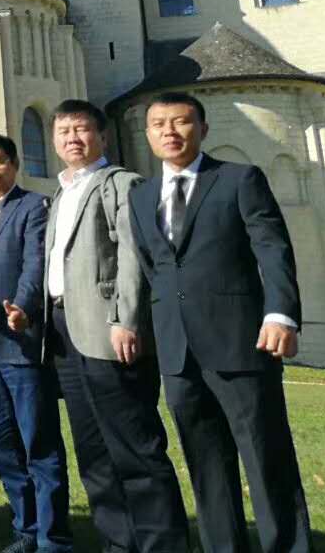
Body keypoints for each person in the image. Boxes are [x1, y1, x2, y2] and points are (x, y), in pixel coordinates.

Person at [130, 92, 311, 553]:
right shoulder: (141, 196)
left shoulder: (238, 179)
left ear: (203, 129)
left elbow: (272, 247)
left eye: (181, 121)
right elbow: (155, 268)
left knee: (266, 457)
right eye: (158, 124)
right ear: (147, 134)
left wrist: (281, 313)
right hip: (178, 351)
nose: (169, 131)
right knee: (205, 463)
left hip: (240, 342)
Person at [44, 101, 190, 553]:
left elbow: (132, 254)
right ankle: (119, 543)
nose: (72, 138)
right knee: (93, 450)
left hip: (108, 330)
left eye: (82, 129)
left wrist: (126, 319)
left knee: (135, 446)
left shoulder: (122, 183)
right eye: (64, 131)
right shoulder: (61, 192)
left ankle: (162, 544)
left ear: (103, 137)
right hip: (66, 331)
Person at [0, 133, 70, 553]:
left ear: (14, 164)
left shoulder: (32, 207)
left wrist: (24, 307)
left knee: (38, 439)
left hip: (17, 336)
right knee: (1, 441)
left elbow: (34, 262)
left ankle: (53, 539)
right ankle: (25, 529)